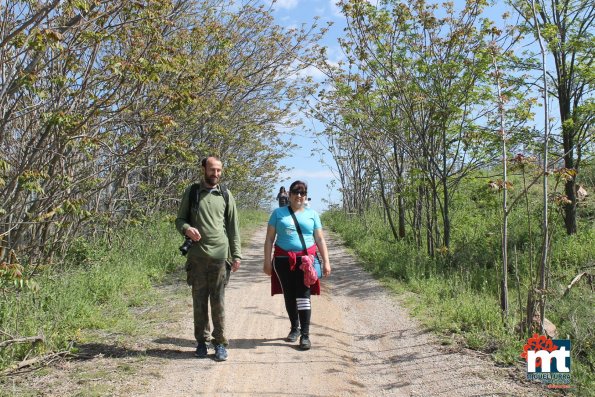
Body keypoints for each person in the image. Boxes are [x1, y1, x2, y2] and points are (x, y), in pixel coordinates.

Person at [175, 156, 241, 361]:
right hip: (197, 258)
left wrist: (236, 254)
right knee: (199, 302)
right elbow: (180, 220)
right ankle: (201, 342)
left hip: (220, 258)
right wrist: (187, 229)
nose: (216, 174)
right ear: (203, 169)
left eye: (219, 170)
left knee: (218, 302)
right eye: (212, 170)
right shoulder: (193, 192)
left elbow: (233, 227)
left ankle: (220, 343)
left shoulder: (226, 195)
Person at [263, 180, 331, 350]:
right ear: (289, 195)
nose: (299, 196)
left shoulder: (313, 215)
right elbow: (269, 239)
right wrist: (266, 261)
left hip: (306, 262)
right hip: (282, 260)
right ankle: (295, 328)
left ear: (306, 195)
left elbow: (320, 239)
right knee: (289, 294)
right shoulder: (278, 213)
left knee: (303, 295)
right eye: (295, 192)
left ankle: (305, 335)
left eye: (302, 192)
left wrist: (326, 262)